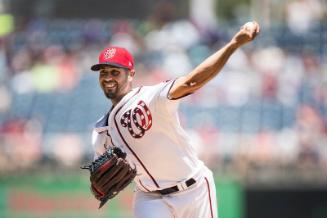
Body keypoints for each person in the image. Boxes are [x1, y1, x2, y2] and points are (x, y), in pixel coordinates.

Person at [90, 21, 260, 218]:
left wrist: (233, 45)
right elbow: (100, 181)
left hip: (194, 190)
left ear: (131, 75)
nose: (108, 77)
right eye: (103, 72)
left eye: (114, 72)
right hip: (149, 198)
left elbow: (191, 81)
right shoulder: (101, 132)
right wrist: (98, 188)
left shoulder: (151, 97)